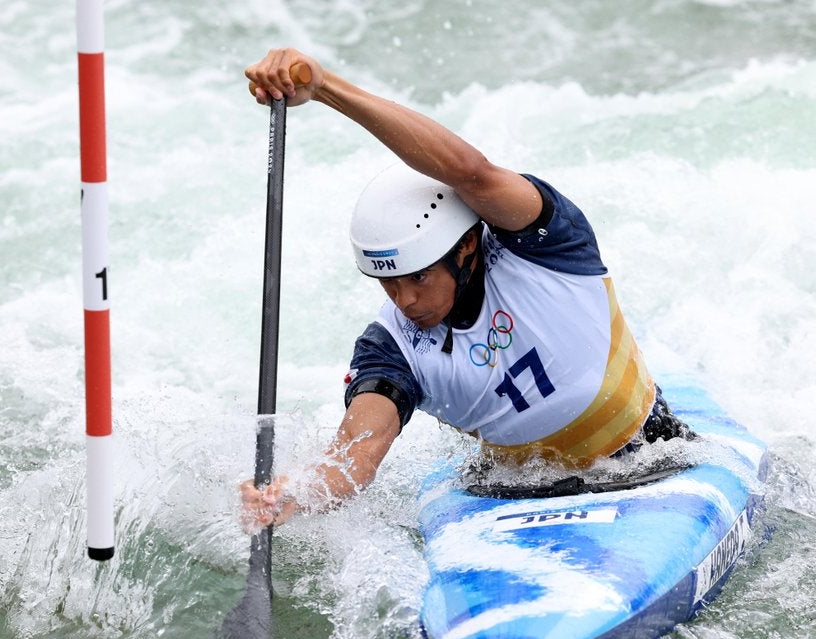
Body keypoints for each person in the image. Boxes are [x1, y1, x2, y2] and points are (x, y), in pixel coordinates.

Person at [239, 48, 690, 529]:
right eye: (388, 282)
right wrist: (298, 493)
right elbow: (357, 452)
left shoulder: (545, 245)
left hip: (648, 458)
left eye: (418, 276)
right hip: (509, 494)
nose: (405, 300)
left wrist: (326, 88)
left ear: (466, 247)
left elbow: (470, 171)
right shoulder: (391, 348)